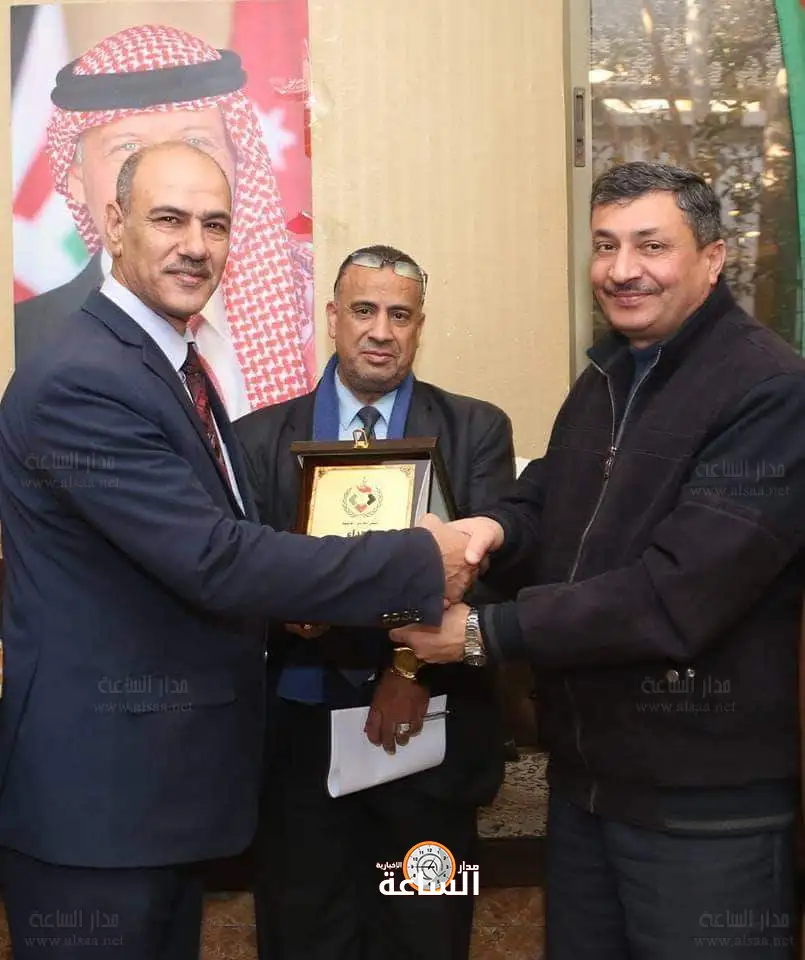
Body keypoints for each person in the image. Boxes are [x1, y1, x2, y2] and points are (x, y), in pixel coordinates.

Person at [0, 142, 474, 960]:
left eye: (214, 224)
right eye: (169, 219)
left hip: (159, 795)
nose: (195, 245)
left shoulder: (171, 364)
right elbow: (217, 559)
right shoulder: (84, 377)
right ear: (113, 224)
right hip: (98, 803)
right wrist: (417, 562)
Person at [394, 162, 805, 959]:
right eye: (605, 245)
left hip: (702, 805)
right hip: (586, 785)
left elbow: (672, 597)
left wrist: (482, 634)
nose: (621, 270)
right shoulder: (607, 378)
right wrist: (488, 530)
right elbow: (545, 502)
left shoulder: (769, 391)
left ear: (711, 259)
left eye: (650, 245)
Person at [235, 244, 515, 960]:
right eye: (363, 310)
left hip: (429, 742)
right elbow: (232, 571)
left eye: (400, 315)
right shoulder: (256, 439)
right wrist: (284, 610)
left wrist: (406, 669)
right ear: (332, 316)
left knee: (427, 933)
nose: (380, 331)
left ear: (420, 325)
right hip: (296, 744)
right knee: (302, 936)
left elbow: (488, 573)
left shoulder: (476, 429)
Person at [14, 23, 313, 415]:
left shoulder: (310, 313)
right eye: (128, 147)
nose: (168, 177)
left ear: (238, 160)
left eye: (195, 142)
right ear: (77, 181)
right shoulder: (28, 335)